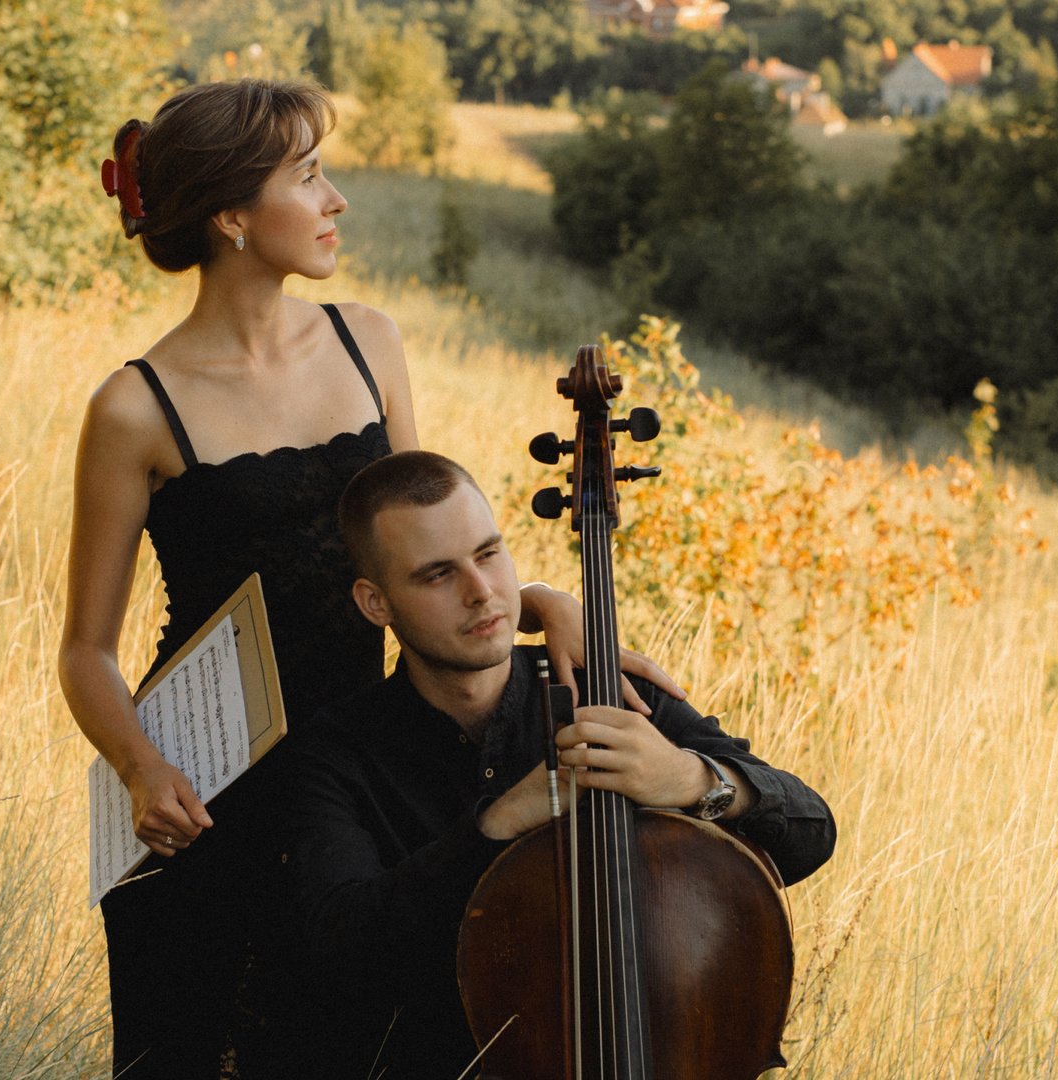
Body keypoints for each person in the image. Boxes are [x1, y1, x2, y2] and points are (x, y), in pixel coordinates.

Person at [58, 79, 680, 1080]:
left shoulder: (367, 341)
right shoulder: (134, 408)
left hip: (364, 776)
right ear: (231, 216)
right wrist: (140, 771)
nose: (336, 198)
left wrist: (541, 601)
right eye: (307, 176)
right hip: (207, 795)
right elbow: (85, 651)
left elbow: (418, 547)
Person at [279, 451, 837, 1078]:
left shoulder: (612, 695)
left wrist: (691, 779)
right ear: (376, 603)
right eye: (438, 575)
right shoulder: (338, 752)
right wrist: (498, 824)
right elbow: (338, 945)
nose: (481, 592)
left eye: (489, 553)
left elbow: (812, 831)